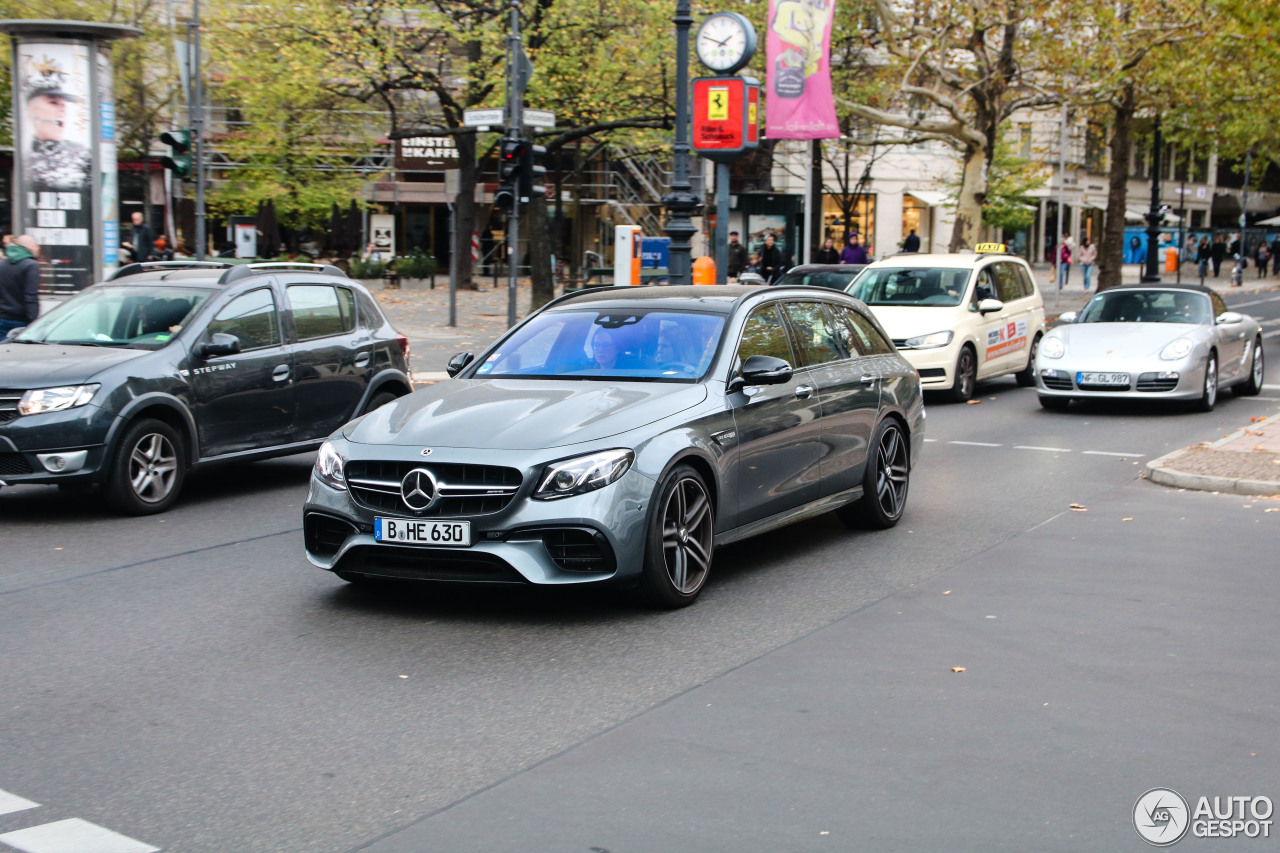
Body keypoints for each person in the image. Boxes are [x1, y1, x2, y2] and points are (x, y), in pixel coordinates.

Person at [24, 62, 91, 190]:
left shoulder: (82, 155)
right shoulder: (24, 158)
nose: (62, 109)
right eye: (53, 102)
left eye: (63, 104)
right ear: (32, 110)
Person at [0, 235, 42, 337]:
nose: (38, 249)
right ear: (31, 247)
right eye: (37, 246)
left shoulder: (3, 264)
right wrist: (34, 321)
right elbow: (31, 296)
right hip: (21, 321)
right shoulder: (31, 265)